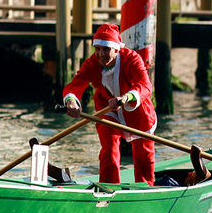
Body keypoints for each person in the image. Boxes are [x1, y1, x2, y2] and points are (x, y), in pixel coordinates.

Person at [63, 23, 157, 185]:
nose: (100, 54)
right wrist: (71, 100)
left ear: (116, 49)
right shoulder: (92, 62)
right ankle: (108, 187)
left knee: (143, 155)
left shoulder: (132, 59)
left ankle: (145, 187)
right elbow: (76, 84)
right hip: (107, 108)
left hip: (136, 110)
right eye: (97, 49)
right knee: (109, 148)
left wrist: (126, 98)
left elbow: (145, 86)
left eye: (105, 49)